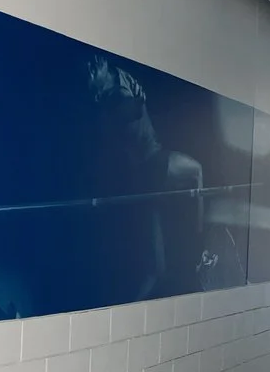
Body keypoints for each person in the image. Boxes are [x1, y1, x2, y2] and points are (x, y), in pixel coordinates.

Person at [85, 55, 210, 300]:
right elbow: (130, 109)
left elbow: (122, 88)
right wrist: (137, 98)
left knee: (155, 269)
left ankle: (130, 307)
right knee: (196, 172)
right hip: (155, 163)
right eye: (90, 70)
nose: (93, 67)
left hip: (144, 177)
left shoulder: (115, 85)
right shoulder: (114, 100)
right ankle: (199, 248)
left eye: (94, 66)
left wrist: (134, 90)